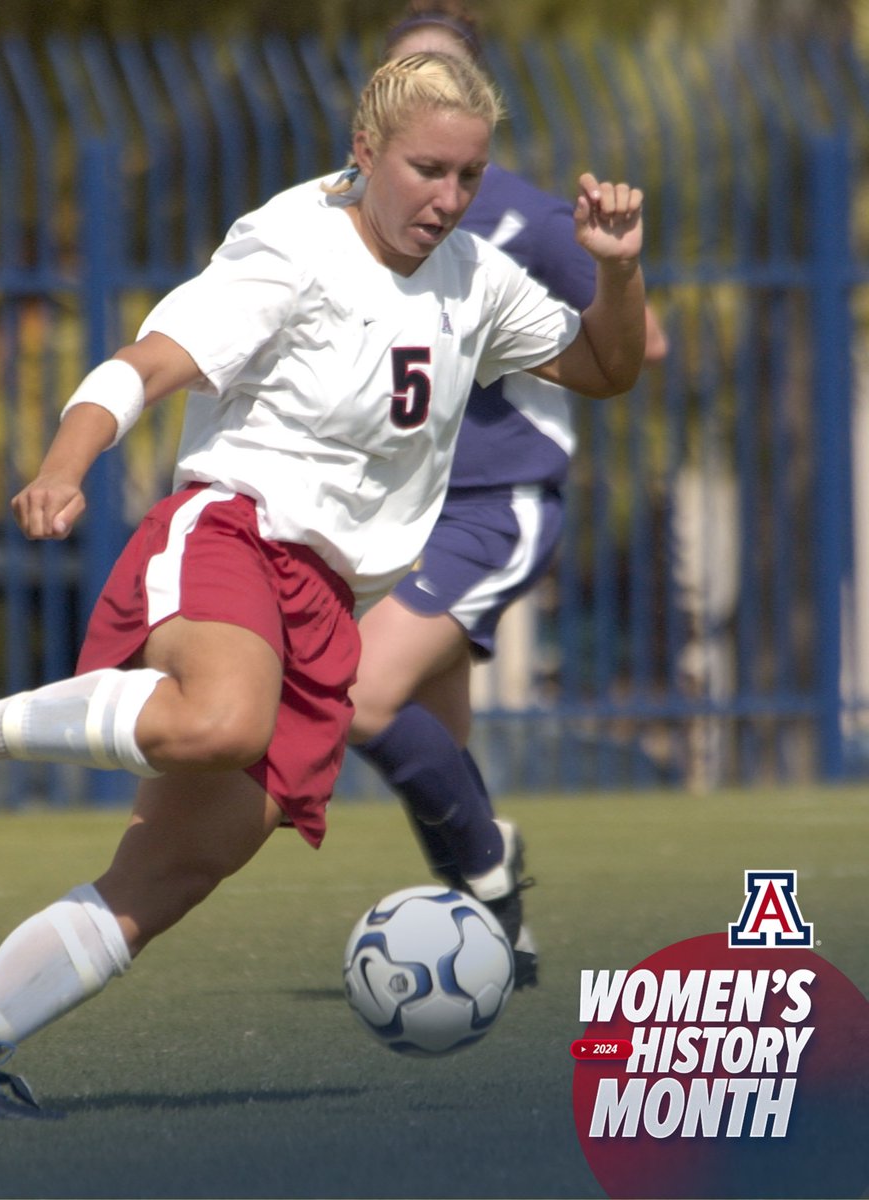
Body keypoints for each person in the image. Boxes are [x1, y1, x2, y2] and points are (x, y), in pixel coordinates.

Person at [0, 49, 647, 1120]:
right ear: (365, 151)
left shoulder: (475, 274)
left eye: (467, 176)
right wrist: (63, 464)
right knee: (221, 719)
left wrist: (618, 268)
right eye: (425, 170)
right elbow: (149, 360)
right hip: (233, 531)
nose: (447, 198)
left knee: (175, 873)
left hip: (326, 598)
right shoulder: (292, 246)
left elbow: (606, 369)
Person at [348, 1, 669, 990]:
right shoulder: (342, 214)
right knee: (433, 747)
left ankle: (487, 866)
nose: (432, 99)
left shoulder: (521, 215)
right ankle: (502, 935)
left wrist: (600, 281)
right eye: (410, 79)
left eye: (448, 79)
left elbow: (640, 346)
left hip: (498, 502)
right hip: (400, 514)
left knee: (356, 698)